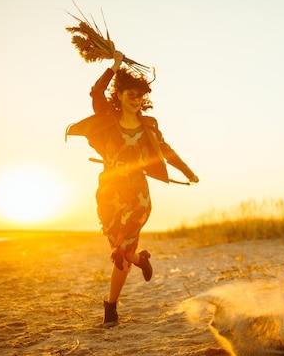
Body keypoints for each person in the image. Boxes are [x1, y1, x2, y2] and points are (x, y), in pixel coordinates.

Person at [66, 51, 199, 327]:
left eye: (140, 95)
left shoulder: (148, 124)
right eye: (131, 94)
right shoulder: (107, 118)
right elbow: (96, 91)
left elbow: (165, 151)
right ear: (121, 95)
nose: (136, 99)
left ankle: (111, 306)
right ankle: (140, 259)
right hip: (109, 192)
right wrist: (113, 67)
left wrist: (187, 171)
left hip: (137, 194)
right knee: (121, 250)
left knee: (120, 250)